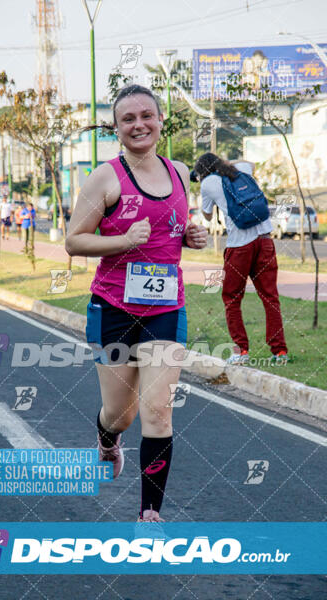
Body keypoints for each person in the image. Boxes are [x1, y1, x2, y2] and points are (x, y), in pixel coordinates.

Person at [66, 84, 207, 523]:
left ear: (161, 120)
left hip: (166, 309)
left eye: (147, 115)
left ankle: (150, 513)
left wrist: (192, 235)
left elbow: (176, 226)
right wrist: (124, 240)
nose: (139, 124)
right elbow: (74, 240)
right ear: (117, 128)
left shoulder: (180, 172)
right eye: (128, 119)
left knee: (158, 412)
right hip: (113, 309)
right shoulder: (105, 177)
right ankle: (108, 440)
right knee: (120, 414)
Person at [195, 152, 288, 366]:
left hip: (240, 247)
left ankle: (241, 350)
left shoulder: (208, 182)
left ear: (201, 172)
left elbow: (207, 216)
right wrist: (224, 165)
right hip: (265, 242)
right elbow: (251, 163)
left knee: (232, 298)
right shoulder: (242, 171)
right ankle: (280, 352)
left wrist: (206, 183)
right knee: (270, 297)